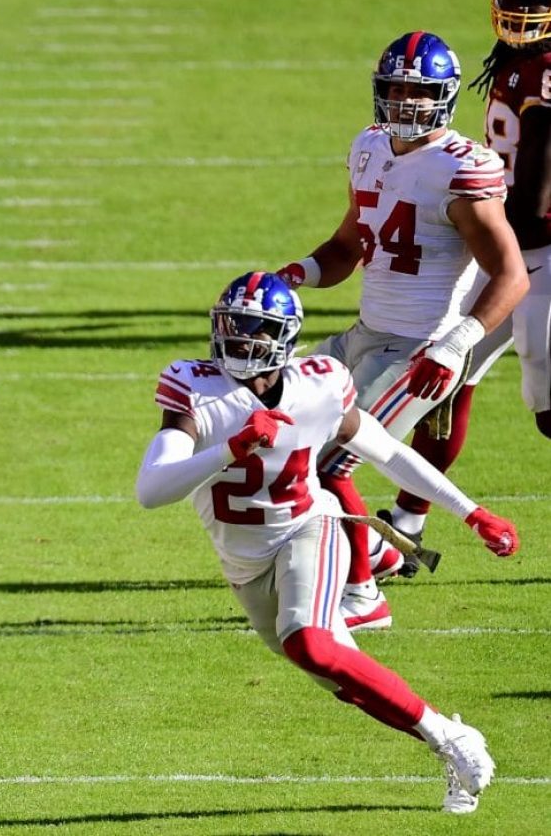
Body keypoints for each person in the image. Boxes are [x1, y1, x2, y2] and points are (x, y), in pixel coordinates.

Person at [135, 270, 518, 814]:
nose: (237, 341)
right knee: (343, 677)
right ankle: (452, 742)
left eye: (253, 329)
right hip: (245, 564)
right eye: (231, 327)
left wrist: (470, 511)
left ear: (283, 338)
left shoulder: (319, 384)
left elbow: (386, 451)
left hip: (310, 528)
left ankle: (455, 741)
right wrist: (231, 449)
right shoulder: (198, 390)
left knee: (310, 642)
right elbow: (151, 489)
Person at [276, 31, 529, 628]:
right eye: (395, 88)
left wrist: (457, 343)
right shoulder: (369, 146)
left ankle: (364, 599)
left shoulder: (462, 168)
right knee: (282, 425)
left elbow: (511, 274)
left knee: (325, 464)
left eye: (418, 92)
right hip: (365, 332)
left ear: (442, 97)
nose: (405, 102)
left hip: (420, 349)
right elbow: (347, 246)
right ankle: (383, 551)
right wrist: (298, 274)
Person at [380, 0, 551, 569]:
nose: (517, 10)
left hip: (539, 250)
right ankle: (403, 527)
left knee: (549, 412)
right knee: (443, 384)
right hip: (505, 246)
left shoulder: (546, 67)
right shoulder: (513, 55)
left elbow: (537, 177)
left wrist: (496, 243)